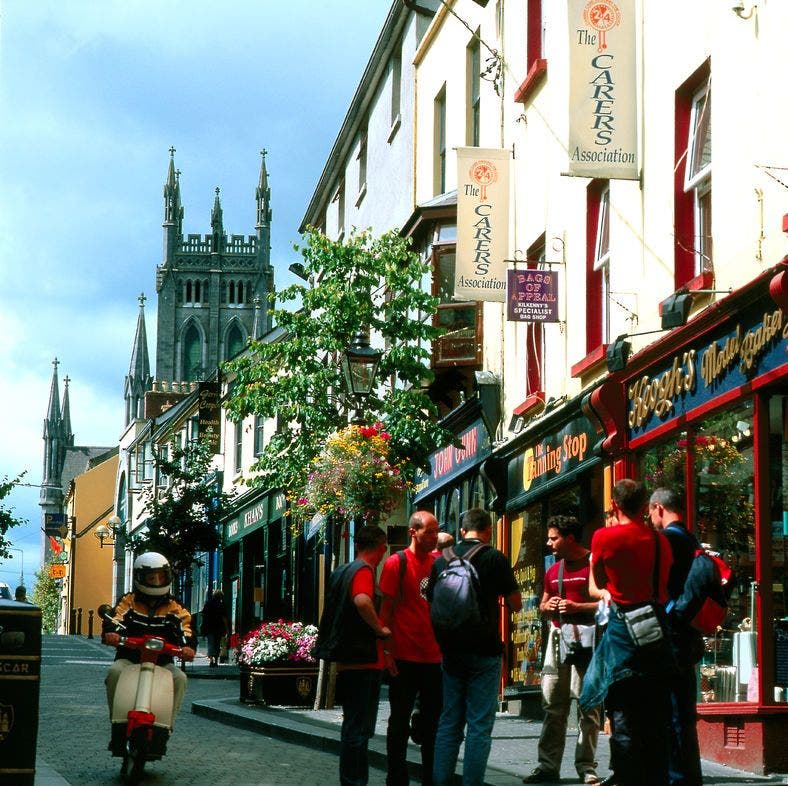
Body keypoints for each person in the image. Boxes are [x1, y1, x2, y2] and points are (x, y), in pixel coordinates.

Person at [579, 480, 674, 786]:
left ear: (615, 505)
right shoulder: (662, 541)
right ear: (645, 504)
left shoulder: (604, 537)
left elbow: (595, 584)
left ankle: (626, 777)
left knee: (622, 714)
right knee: (656, 716)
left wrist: (606, 591)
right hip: (656, 632)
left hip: (623, 632)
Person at [427, 508, 522, 786]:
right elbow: (516, 603)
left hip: (451, 652)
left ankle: (441, 781)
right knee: (479, 725)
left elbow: (432, 603)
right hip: (484, 651)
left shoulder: (441, 561)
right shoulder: (494, 557)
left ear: (461, 531)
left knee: (449, 722)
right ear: (489, 530)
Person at [523, 515, 602, 785]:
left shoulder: (594, 564)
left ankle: (587, 767)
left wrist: (578, 608)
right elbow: (543, 606)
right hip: (558, 640)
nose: (549, 543)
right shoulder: (553, 570)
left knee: (588, 707)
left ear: (569, 538)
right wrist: (550, 606)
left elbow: (608, 604)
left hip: (588, 642)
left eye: (553, 537)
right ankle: (547, 767)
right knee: (552, 705)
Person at [316, 524, 391, 786]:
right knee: (358, 730)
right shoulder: (363, 571)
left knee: (353, 726)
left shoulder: (342, 571)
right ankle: (355, 782)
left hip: (349, 659)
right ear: (381, 548)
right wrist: (379, 628)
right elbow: (362, 601)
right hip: (364, 659)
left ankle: (352, 780)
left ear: (358, 545)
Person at [102, 552, 196, 751]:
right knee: (114, 673)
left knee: (179, 678)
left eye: (161, 576)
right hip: (130, 659)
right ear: (139, 578)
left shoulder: (175, 607)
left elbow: (186, 629)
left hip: (162, 662)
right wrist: (111, 633)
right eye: (151, 577)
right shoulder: (128, 601)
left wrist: (188, 646)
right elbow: (115, 619)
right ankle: (117, 724)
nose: (157, 581)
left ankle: (166, 726)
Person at [379, 511, 442, 786]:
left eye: (436, 531)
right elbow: (385, 611)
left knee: (433, 723)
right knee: (399, 720)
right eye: (429, 531)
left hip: (434, 656)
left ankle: (431, 777)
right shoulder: (397, 563)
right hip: (404, 656)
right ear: (413, 532)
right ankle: (396, 777)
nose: (435, 537)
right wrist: (387, 652)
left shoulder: (439, 562)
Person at [649, 487, 704, 786]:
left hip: (670, 634)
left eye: (651, 514)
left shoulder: (667, 540)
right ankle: (687, 776)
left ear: (659, 508)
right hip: (688, 632)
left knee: (672, 715)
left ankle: (678, 777)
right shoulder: (690, 538)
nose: (651, 520)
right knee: (683, 713)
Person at [200, 589, 228, 667]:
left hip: (209, 627)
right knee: (217, 644)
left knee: (210, 643)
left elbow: (204, 616)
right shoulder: (221, 605)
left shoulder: (208, 604)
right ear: (221, 597)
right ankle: (216, 660)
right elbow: (224, 618)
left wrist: (203, 627)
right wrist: (227, 629)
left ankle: (211, 660)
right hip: (219, 628)